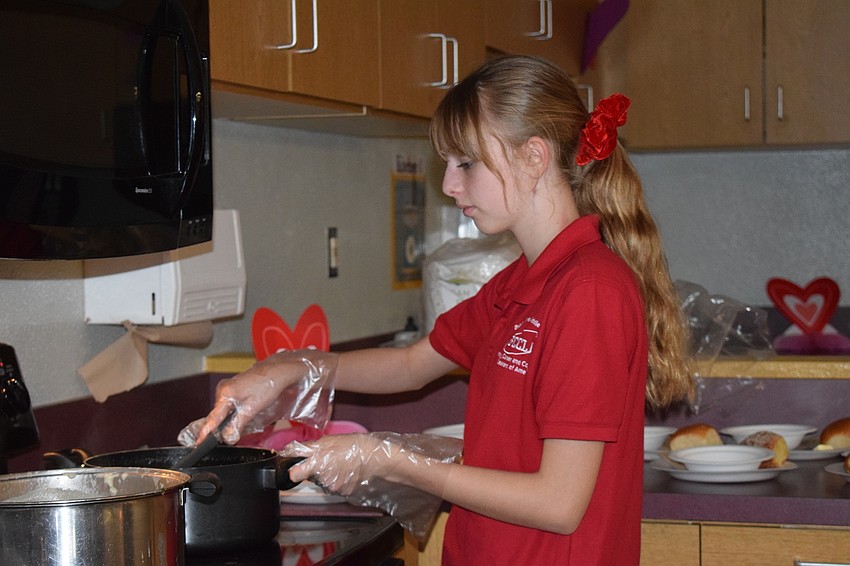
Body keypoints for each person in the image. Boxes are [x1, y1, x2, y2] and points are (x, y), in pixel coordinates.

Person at [182, 54, 694, 565]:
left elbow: (558, 504)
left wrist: (393, 462)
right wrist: (290, 369)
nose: (450, 186)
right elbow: (412, 364)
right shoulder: (521, 283)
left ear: (534, 156)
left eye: (465, 164)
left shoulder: (589, 290)